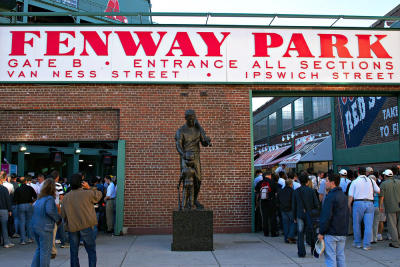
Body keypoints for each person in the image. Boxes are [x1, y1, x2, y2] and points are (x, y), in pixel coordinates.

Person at [61, 173, 102, 267]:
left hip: (73, 227)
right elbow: (99, 196)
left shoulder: (66, 197)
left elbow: (63, 214)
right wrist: (90, 187)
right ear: (81, 183)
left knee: (74, 253)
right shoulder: (87, 193)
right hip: (86, 225)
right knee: (91, 251)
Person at [175, 109, 212, 209]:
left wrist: (207, 140)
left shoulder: (198, 129)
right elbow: (178, 145)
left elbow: (203, 143)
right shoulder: (181, 130)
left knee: (198, 179)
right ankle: (186, 203)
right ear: (186, 118)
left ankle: (194, 199)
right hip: (185, 156)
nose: (192, 121)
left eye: (193, 119)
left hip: (196, 156)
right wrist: (183, 155)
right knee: (187, 179)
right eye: (190, 119)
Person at [318, 173, 349, 267]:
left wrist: (321, 232)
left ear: (332, 183)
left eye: (327, 181)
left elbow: (326, 216)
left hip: (331, 232)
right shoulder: (343, 196)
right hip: (342, 231)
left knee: (330, 257)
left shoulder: (330, 197)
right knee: (340, 256)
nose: (325, 183)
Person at [348, 167, 380, 250]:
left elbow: (350, 196)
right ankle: (367, 245)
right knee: (368, 225)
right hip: (370, 203)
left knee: (356, 224)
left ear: (358, 173)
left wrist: (348, 206)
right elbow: (378, 190)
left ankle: (358, 243)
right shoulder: (371, 181)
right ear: (366, 173)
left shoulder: (354, 182)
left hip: (358, 203)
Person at [31, 178, 61, 267]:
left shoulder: (39, 199)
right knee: (45, 252)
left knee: (39, 249)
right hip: (45, 228)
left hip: (35, 226)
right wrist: (58, 219)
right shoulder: (49, 199)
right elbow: (50, 211)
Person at [292, 173, 320, 258]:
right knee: (312, 233)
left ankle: (301, 252)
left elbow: (294, 205)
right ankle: (314, 250)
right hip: (310, 214)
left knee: (300, 234)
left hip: (300, 214)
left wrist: (294, 217)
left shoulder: (296, 191)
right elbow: (317, 204)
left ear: (300, 182)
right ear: (307, 182)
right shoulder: (312, 191)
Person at [379, 169, 400, 248]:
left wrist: (381, 206)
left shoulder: (384, 184)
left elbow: (382, 197)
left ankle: (395, 242)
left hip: (390, 207)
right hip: (399, 206)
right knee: (398, 225)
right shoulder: (398, 182)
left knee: (392, 225)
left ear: (385, 176)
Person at [13, 176, 37, 245]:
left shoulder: (18, 189)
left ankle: (22, 240)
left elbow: (14, 200)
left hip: (20, 206)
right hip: (29, 205)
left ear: (20, 182)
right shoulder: (30, 188)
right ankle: (30, 238)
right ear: (26, 181)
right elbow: (35, 196)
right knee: (29, 222)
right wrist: (32, 202)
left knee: (22, 222)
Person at [255, 173, 278, 237]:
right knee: (272, 217)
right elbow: (277, 192)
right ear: (269, 176)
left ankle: (266, 233)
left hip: (263, 202)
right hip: (271, 201)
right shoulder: (273, 182)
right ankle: (273, 233)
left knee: (265, 218)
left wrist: (257, 201)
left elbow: (256, 191)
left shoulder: (260, 183)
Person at [278, 179, 296, 243]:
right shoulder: (293, 191)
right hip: (290, 209)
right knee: (293, 222)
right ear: (291, 184)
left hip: (283, 209)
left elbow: (278, 200)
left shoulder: (281, 191)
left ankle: (286, 238)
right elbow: (294, 201)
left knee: (285, 224)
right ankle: (290, 236)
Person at [0, 175, 13, 248]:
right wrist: (10, 209)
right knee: (4, 226)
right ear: (2, 180)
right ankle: (6, 242)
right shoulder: (4, 189)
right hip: (3, 210)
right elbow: (8, 200)